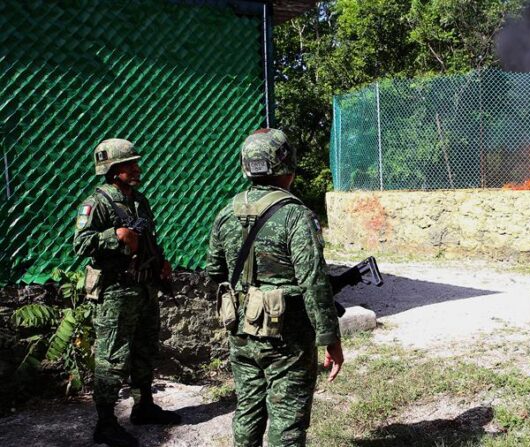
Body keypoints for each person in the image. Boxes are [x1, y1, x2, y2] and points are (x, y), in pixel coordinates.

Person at [206, 128, 343, 447]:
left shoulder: (227, 211)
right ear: (286, 166)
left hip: (241, 329)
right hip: (287, 335)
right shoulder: (295, 215)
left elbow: (215, 270)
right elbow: (313, 281)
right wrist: (330, 339)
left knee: (248, 409)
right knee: (287, 419)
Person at [74, 138, 181, 447]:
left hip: (144, 288)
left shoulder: (139, 200)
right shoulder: (96, 203)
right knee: (112, 359)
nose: (136, 168)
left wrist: (160, 260)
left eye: (135, 163)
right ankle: (106, 424)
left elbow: (147, 235)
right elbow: (80, 244)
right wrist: (114, 236)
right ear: (112, 169)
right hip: (115, 293)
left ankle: (143, 407)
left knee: (145, 350)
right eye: (129, 165)